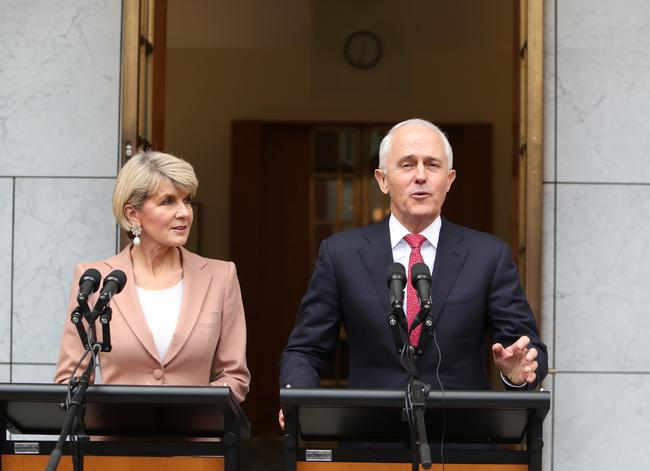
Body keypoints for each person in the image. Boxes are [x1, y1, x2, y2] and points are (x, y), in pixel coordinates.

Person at [279, 119, 547, 425]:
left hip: (463, 443)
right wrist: (297, 398)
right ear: (382, 179)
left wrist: (517, 374)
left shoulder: (488, 255)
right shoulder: (342, 254)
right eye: (407, 165)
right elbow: (306, 350)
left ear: (449, 179)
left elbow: (527, 350)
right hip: (367, 440)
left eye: (432, 165)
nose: (421, 176)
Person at [55, 151, 250, 402]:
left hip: (195, 437)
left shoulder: (221, 276)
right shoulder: (95, 279)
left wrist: (192, 411)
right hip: (114, 438)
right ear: (132, 214)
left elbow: (235, 376)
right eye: (168, 201)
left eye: (187, 200)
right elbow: (70, 380)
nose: (184, 212)